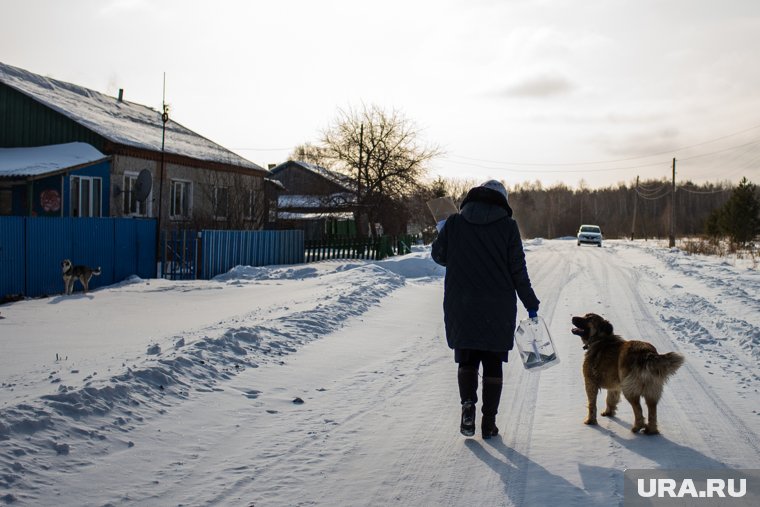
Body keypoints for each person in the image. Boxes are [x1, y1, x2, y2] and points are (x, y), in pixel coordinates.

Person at [431, 180, 540, 439]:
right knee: (493, 363)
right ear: (502, 200)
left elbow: (440, 257)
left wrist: (444, 231)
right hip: (497, 307)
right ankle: (488, 423)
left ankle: (468, 406)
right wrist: (530, 303)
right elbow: (517, 270)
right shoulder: (508, 226)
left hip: (462, 304)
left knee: (467, 359)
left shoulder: (455, 223)